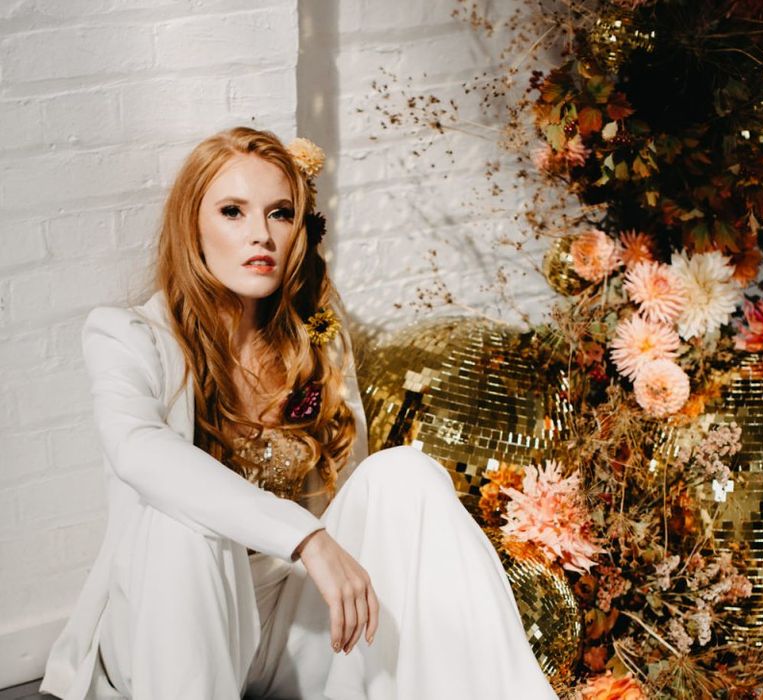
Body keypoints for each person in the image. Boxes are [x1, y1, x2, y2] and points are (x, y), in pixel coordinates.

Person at [39, 127, 558, 700]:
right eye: (233, 212)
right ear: (194, 227)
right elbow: (139, 450)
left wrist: (336, 548)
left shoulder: (313, 339)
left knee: (405, 475)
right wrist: (308, 539)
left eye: (280, 214)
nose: (260, 235)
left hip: (289, 621)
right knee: (180, 516)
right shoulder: (128, 335)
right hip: (172, 620)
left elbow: (354, 490)